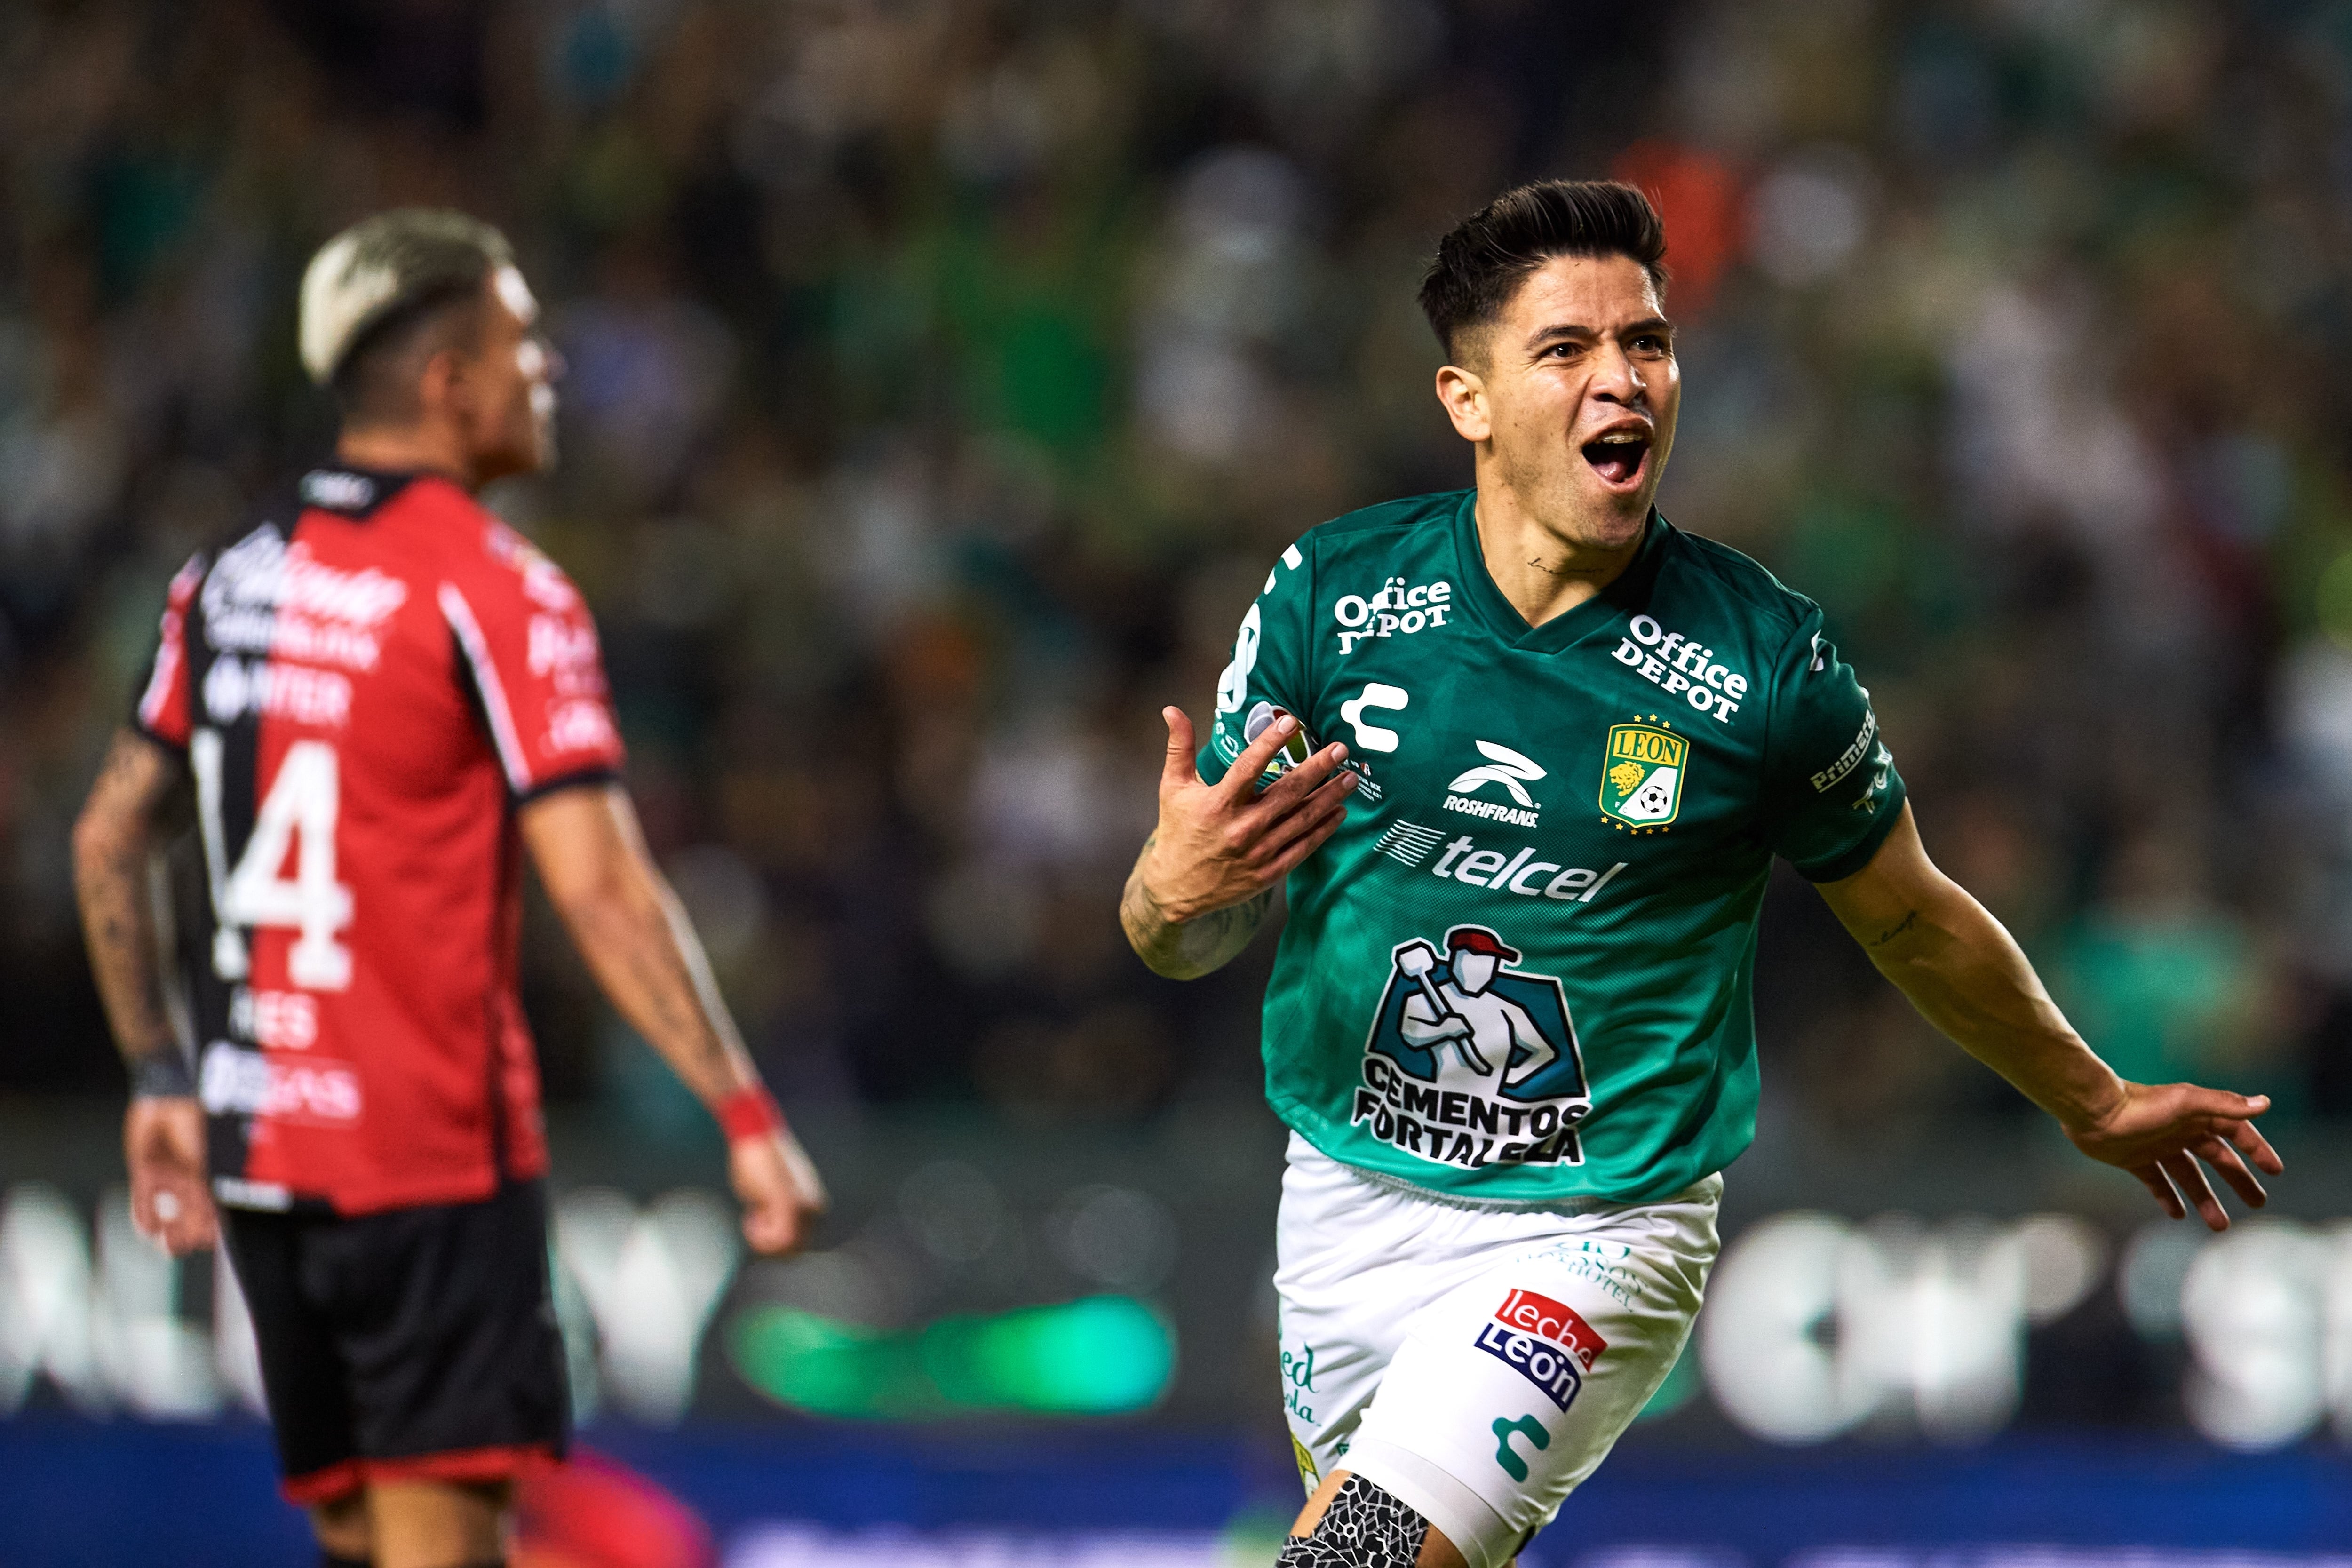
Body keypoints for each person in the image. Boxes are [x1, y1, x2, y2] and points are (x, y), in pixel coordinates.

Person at [1118, 180, 2282, 1568]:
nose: (1624, 379)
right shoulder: (1335, 598)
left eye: (1649, 344)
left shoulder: (1760, 663)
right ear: (1468, 400)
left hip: (1601, 1231)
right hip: (1346, 1205)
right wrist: (1167, 898)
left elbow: (1909, 912)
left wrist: (2091, 1100)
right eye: (1566, 351)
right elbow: (1177, 933)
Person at [71, 209, 826, 1568]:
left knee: (359, 1542)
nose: (550, 372)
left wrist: (158, 1077)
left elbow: (108, 841)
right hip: (423, 1160)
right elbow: (600, 889)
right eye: (526, 343)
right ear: (447, 383)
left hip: (264, 1157)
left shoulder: (222, 582)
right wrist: (745, 1108)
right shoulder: (499, 591)